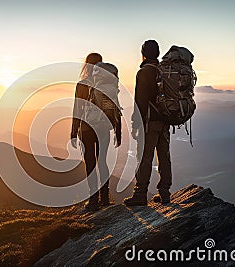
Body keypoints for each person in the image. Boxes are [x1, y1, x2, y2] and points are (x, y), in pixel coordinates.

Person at [71, 53, 122, 211]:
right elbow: (116, 108)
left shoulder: (82, 84)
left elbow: (77, 109)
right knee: (102, 162)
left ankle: (93, 201)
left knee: (90, 163)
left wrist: (73, 132)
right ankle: (105, 199)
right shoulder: (109, 84)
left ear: (87, 66)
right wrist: (118, 131)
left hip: (86, 128)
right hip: (104, 127)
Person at [124, 40, 172, 206]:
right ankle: (165, 193)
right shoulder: (164, 71)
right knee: (164, 157)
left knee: (145, 157)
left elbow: (140, 102)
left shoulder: (144, 72)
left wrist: (135, 124)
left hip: (149, 122)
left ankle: (140, 194)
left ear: (143, 53)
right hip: (165, 121)